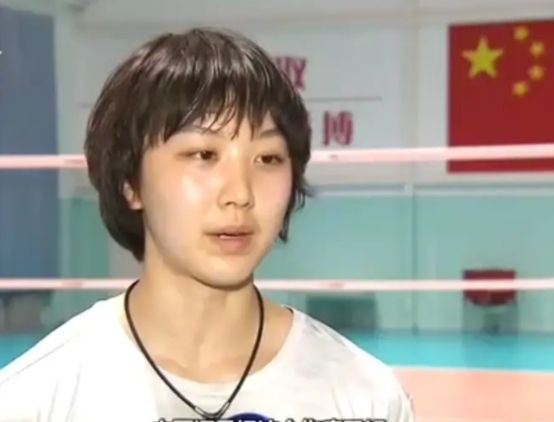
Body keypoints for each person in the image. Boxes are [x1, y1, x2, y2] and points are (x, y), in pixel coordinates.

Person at [0, 27, 414, 422]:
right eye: (203, 155)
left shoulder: (366, 397)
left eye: (268, 158)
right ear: (131, 182)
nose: (240, 193)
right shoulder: (34, 399)